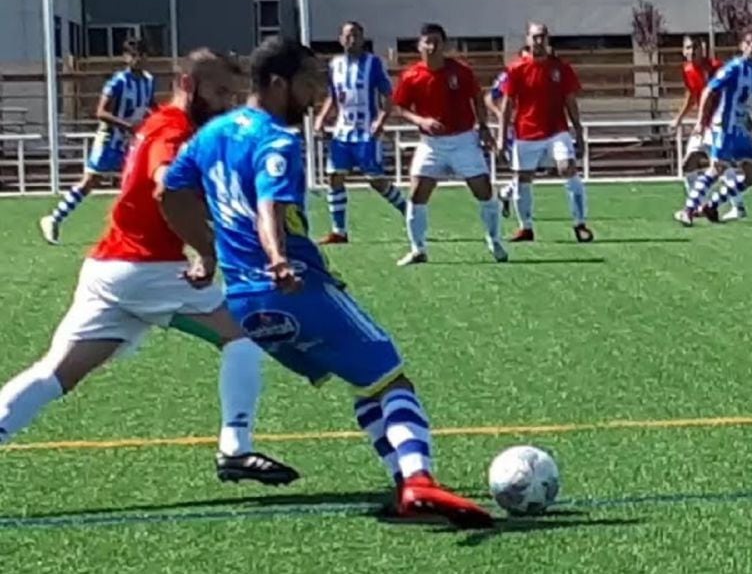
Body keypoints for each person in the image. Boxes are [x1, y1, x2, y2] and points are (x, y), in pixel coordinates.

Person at [161, 37, 494, 529]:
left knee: (365, 385)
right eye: (310, 81)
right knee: (392, 376)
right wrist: (277, 258)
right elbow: (270, 208)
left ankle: (405, 485)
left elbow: (171, 193)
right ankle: (419, 478)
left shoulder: (212, 134)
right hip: (295, 289)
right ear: (278, 83)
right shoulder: (276, 140)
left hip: (246, 303)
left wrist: (206, 252)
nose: (318, 93)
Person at [2, 49, 298, 485]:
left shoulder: (162, 124)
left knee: (56, 374)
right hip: (147, 269)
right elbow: (166, 189)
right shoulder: (173, 131)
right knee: (245, 335)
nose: (224, 103)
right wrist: (209, 251)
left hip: (110, 269)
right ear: (187, 85)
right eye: (218, 92)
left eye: (231, 94)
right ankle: (235, 448)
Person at [392, 23, 507, 266]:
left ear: (444, 45)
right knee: (416, 194)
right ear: (419, 45)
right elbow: (400, 107)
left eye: (436, 41)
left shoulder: (461, 72)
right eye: (427, 42)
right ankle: (418, 249)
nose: (432, 46)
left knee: (484, 191)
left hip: (464, 139)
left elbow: (477, 97)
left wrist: (483, 127)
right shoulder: (411, 75)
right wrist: (421, 119)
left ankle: (494, 239)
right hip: (431, 144)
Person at [40, 37, 155, 244]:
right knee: (91, 181)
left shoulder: (148, 81)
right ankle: (54, 218)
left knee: (137, 182)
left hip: (132, 141)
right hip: (111, 139)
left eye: (142, 55)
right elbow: (101, 112)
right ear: (126, 58)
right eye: (134, 55)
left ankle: (132, 230)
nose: (139, 59)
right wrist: (128, 126)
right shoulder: (118, 82)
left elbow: (151, 105)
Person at [499, 22, 594, 243]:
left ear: (547, 39)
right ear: (528, 39)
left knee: (567, 168)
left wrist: (578, 132)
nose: (538, 41)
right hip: (526, 133)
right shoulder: (516, 69)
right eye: (535, 37)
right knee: (522, 178)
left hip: (556, 130)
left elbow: (570, 101)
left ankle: (580, 223)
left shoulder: (561, 68)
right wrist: (502, 137)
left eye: (542, 36)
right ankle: (526, 228)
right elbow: (507, 104)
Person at [675, 28, 752, 226]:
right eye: (748, 43)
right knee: (717, 169)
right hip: (724, 126)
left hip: (741, 129)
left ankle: (712, 205)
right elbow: (708, 91)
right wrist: (701, 121)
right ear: (742, 46)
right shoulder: (733, 68)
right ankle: (688, 210)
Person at [315, 21, 407, 244]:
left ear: (362, 38)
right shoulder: (335, 65)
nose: (351, 40)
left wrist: (381, 120)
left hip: (366, 131)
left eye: (355, 35)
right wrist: (321, 118)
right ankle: (339, 231)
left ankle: (409, 210)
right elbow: (333, 96)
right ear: (340, 39)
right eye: (347, 36)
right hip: (342, 131)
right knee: (335, 176)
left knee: (375, 180)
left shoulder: (374, 63)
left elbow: (388, 96)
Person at [671, 36, 724, 200]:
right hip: (704, 123)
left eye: (695, 48)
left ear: (703, 49)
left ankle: (737, 206)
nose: (691, 52)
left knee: (721, 165)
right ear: (683, 51)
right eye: (688, 48)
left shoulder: (715, 67)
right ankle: (697, 203)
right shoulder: (687, 70)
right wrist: (679, 117)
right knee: (688, 165)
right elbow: (692, 95)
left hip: (719, 122)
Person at [485, 47, 530, 219]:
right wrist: (499, 114)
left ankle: (505, 193)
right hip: (514, 131)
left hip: (533, 128)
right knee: (525, 171)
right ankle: (511, 198)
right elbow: (489, 98)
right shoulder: (509, 76)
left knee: (529, 170)